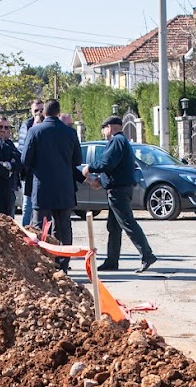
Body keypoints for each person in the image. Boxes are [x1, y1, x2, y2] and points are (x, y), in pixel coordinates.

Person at [84, 115, 156, 274]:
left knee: (127, 223)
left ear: (109, 127)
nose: (104, 133)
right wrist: (101, 182)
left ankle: (147, 255)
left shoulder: (117, 141)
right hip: (118, 189)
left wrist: (89, 168)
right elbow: (115, 169)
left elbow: (106, 163)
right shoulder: (121, 141)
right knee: (114, 227)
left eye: (104, 130)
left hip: (119, 192)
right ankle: (111, 261)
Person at [22, 98, 81, 270]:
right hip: (64, 187)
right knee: (63, 227)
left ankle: (40, 263)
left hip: (42, 187)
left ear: (44, 113)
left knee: (38, 226)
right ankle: (63, 263)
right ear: (58, 113)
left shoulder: (35, 131)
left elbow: (25, 159)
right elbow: (77, 159)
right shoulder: (70, 133)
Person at [17, 99, 45, 227]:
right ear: (31, 111)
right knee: (27, 204)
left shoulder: (48, 124)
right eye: (36, 110)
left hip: (43, 172)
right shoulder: (27, 125)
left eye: (41, 110)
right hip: (28, 173)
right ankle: (25, 231)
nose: (39, 113)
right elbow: (23, 149)